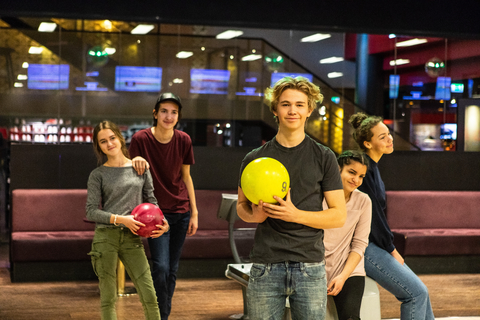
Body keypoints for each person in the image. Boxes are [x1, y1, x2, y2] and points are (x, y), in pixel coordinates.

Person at [236, 76, 347, 320]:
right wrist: (254, 215)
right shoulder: (254, 159)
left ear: (309, 110)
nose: (292, 110)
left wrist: (295, 214)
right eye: (285, 104)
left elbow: (339, 215)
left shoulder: (324, 156)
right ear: (275, 109)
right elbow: (241, 207)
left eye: (299, 104)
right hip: (265, 264)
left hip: (310, 265)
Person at [349, 112, 435, 320]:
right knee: (415, 294)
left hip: (373, 245)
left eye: (388, 134)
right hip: (364, 247)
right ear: (368, 144)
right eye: (382, 137)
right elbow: (374, 219)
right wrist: (391, 249)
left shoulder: (373, 169)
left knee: (422, 292)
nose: (390, 139)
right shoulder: (364, 171)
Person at [86, 120, 169, 320]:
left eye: (112, 138)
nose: (109, 143)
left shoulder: (140, 167)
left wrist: (163, 223)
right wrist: (121, 219)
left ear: (120, 138)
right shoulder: (98, 175)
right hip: (106, 238)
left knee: (149, 294)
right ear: (99, 147)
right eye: (103, 141)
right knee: (108, 297)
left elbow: (152, 201)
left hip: (132, 238)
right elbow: (90, 212)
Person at [128, 92, 198, 320]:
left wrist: (195, 213)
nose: (169, 116)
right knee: (161, 268)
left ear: (178, 116)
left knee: (172, 269)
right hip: (155, 215)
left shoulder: (184, 140)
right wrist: (133, 161)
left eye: (174, 112)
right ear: (155, 113)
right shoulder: (141, 139)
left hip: (181, 212)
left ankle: (161, 315)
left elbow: (186, 177)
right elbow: (130, 175)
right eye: (164, 111)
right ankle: (158, 315)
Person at [323, 150, 372, 320]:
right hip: (315, 267)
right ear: (337, 170)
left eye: (361, 176)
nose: (356, 180)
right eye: (352, 172)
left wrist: (343, 276)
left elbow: (359, 244)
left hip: (348, 270)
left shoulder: (364, 201)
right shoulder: (317, 197)